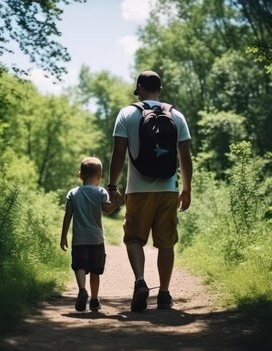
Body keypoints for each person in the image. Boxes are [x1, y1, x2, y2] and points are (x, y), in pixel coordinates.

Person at [107, 70, 192, 312]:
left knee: (134, 239)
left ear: (139, 88)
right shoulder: (177, 115)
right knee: (166, 243)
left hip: (137, 189)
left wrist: (112, 186)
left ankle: (140, 281)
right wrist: (186, 188)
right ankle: (164, 294)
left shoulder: (127, 114)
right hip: (169, 189)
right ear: (160, 89)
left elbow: (118, 155)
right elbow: (185, 157)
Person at [60, 157, 122, 312]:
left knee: (79, 266)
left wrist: (63, 236)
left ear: (80, 175)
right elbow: (107, 210)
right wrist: (117, 202)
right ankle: (94, 300)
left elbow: (67, 216)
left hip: (79, 239)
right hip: (96, 239)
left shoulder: (73, 193)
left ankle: (82, 290)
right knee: (95, 271)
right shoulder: (101, 192)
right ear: (100, 176)